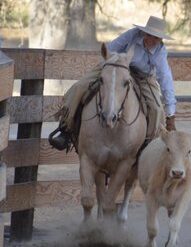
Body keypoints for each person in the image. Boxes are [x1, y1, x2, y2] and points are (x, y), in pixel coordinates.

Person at [49, 16, 177, 151]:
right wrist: (116, 63)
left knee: (156, 109)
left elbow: (165, 79)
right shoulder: (132, 34)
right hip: (117, 66)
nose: (153, 40)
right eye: (150, 35)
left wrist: (171, 114)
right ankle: (66, 129)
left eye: (157, 38)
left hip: (143, 77)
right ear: (145, 32)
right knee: (79, 87)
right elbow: (110, 49)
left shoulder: (160, 51)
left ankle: (147, 145)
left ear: (161, 40)